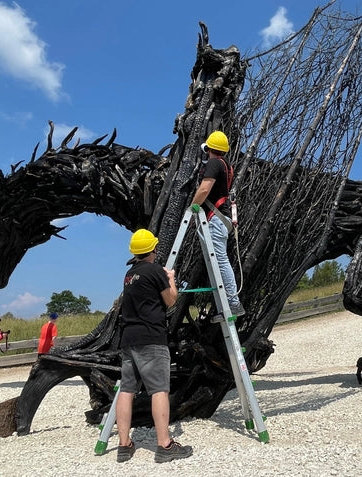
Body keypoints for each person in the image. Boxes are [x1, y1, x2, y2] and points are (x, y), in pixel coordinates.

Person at [116, 229, 193, 463]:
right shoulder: (155, 271)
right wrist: (171, 279)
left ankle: (124, 445)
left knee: (127, 390)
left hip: (128, 339)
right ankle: (165, 445)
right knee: (159, 389)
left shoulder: (129, 275)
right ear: (153, 249)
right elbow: (170, 300)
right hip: (151, 338)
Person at [191, 130, 245, 316]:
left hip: (214, 220)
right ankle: (227, 305)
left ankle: (233, 303)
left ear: (210, 149)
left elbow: (205, 188)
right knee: (219, 260)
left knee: (220, 261)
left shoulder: (214, 163)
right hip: (221, 219)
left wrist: (192, 208)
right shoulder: (226, 165)